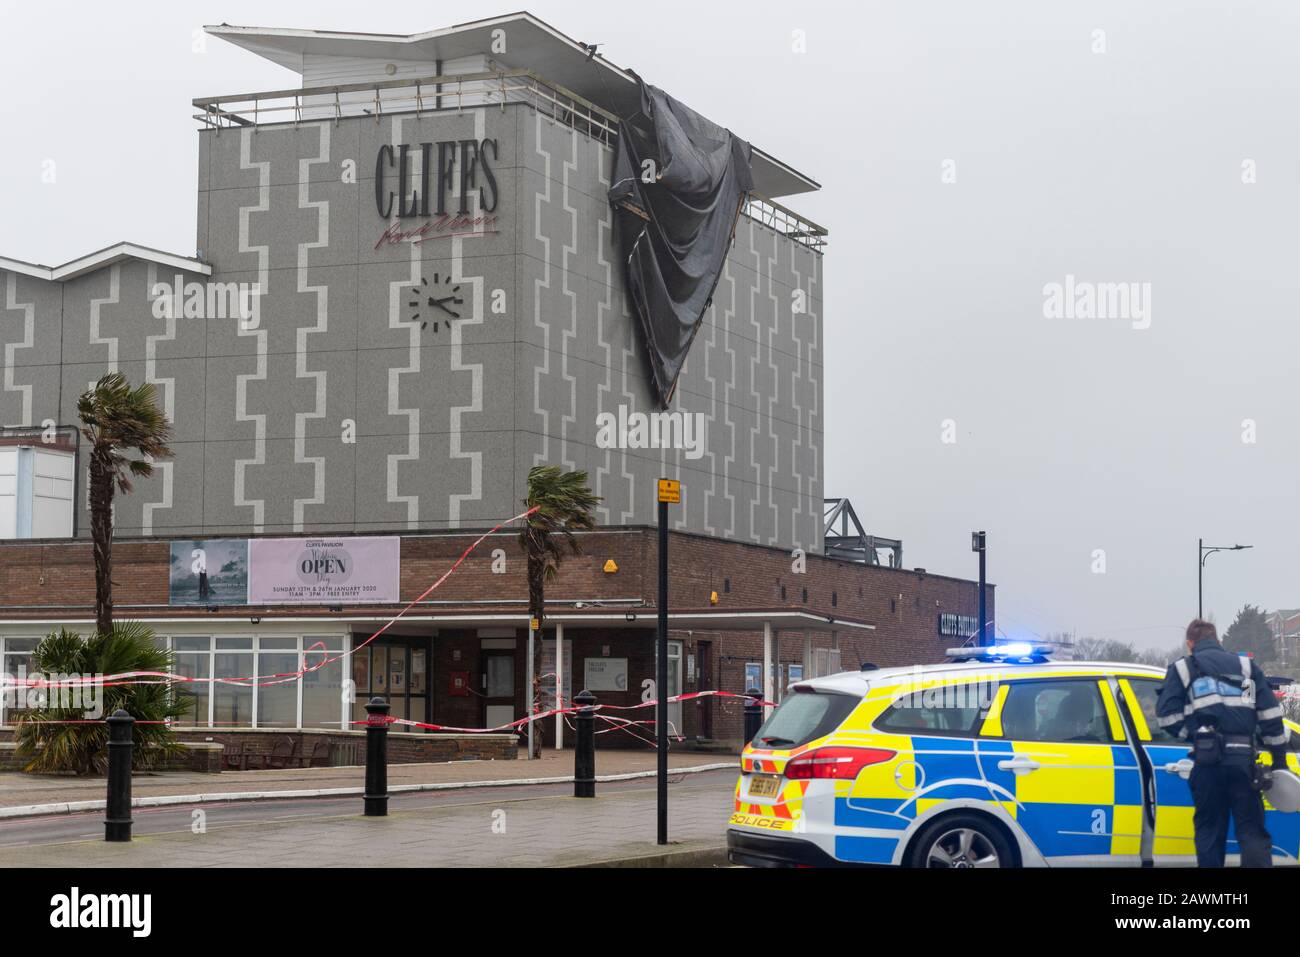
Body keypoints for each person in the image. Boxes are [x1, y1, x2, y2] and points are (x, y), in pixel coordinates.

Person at [1156, 619, 1290, 867]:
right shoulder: (1245, 669)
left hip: (1208, 764)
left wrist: (1195, 734)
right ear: (1218, 640)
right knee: (1251, 832)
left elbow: (1167, 717)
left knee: (1209, 833)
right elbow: (1266, 715)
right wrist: (1279, 761)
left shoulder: (1184, 669)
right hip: (1243, 763)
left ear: (1190, 643)